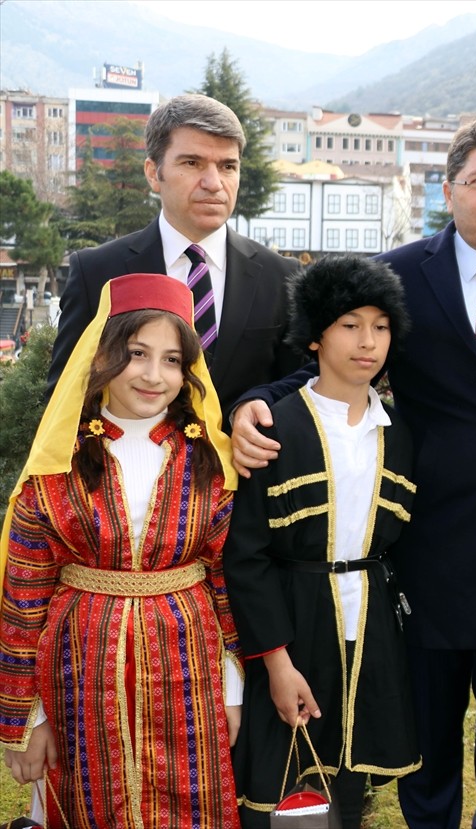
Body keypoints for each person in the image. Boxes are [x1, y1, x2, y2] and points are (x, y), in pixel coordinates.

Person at [231, 117, 476, 829]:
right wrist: (254, 404)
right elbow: (322, 362)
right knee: (430, 748)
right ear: (449, 190)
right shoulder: (403, 273)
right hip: (426, 561)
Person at [0, 273, 242, 827]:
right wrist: (28, 716)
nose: (154, 375)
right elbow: (24, 600)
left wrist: (233, 690)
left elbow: (228, 584)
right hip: (76, 677)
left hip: (190, 672)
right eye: (137, 353)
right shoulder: (59, 464)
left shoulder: (211, 464)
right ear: (105, 354)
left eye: (172, 359)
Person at [224, 255, 419, 828]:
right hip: (294, 623)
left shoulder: (397, 430)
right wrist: (277, 663)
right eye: (350, 324)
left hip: (371, 629)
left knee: (348, 785)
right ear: (314, 337)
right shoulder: (275, 427)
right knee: (280, 786)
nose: (368, 341)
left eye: (381, 326)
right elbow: (247, 557)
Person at [47, 93, 301, 419]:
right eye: (192, 163)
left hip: (244, 468)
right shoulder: (97, 272)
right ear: (154, 173)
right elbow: (65, 399)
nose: (213, 183)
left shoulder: (280, 276)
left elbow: (298, 393)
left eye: (227, 166)